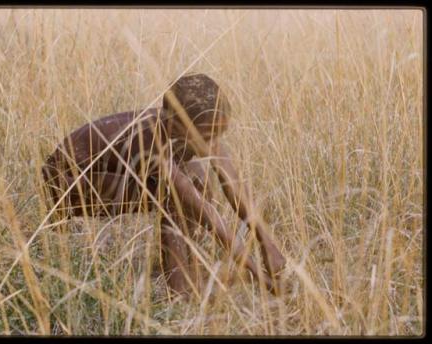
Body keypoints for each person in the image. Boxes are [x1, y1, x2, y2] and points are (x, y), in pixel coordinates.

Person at [42, 73, 286, 296]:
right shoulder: (153, 140)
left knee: (198, 179)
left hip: (108, 175)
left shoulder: (195, 129)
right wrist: (256, 272)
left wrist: (266, 242)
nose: (214, 143)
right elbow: (204, 213)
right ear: (174, 126)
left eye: (219, 134)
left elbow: (233, 185)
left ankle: (188, 271)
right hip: (66, 184)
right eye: (207, 136)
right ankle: (179, 287)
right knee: (175, 193)